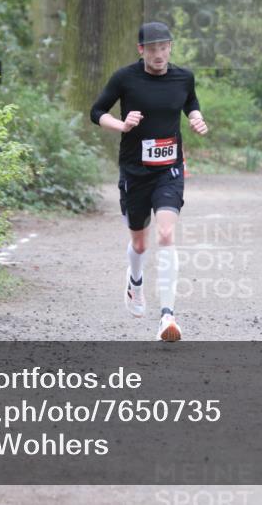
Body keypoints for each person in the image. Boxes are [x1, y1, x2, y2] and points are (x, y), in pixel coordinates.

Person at [89, 22, 208, 341]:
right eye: (152, 49)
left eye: (163, 48)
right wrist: (122, 125)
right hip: (135, 172)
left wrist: (196, 117)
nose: (159, 54)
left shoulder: (184, 77)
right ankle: (135, 281)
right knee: (140, 243)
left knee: (166, 234)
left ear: (170, 47)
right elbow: (96, 111)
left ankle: (168, 316)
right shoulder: (125, 78)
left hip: (169, 170)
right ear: (141, 50)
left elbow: (190, 102)